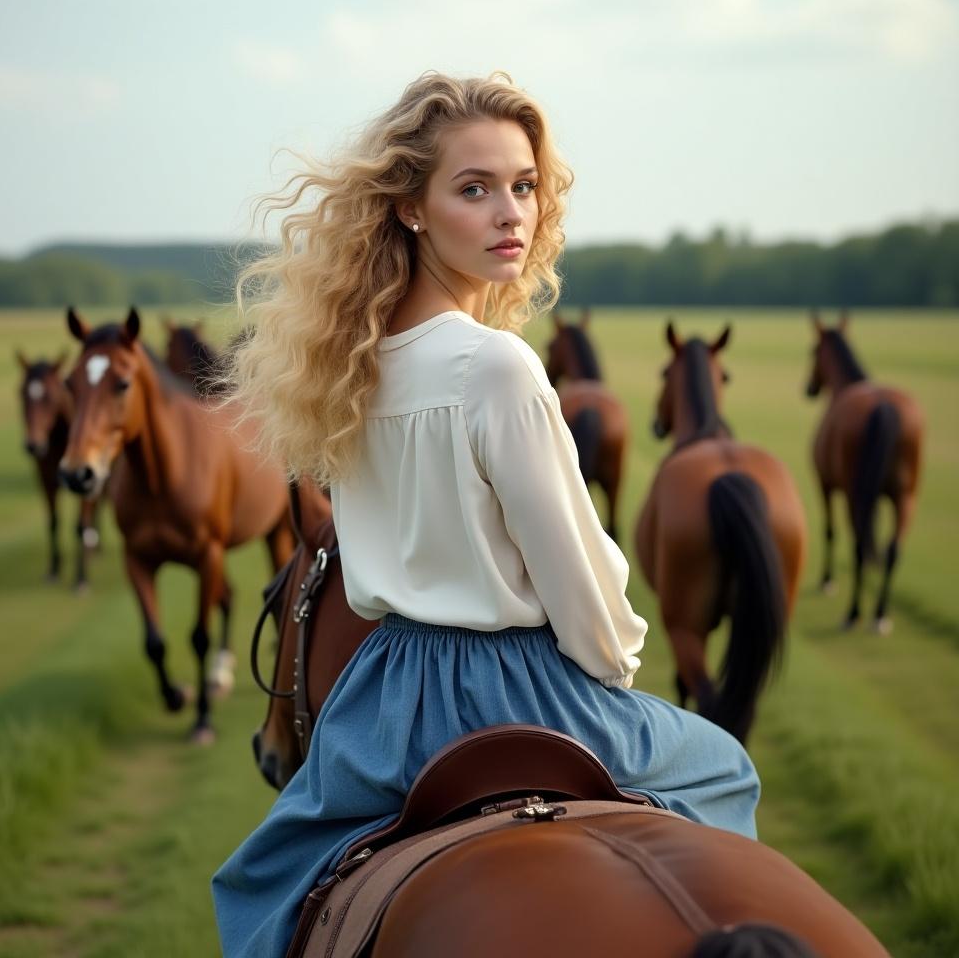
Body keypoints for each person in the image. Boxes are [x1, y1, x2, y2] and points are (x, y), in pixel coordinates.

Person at [212, 72, 760, 958]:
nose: (512, 212)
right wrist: (616, 665)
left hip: (380, 700)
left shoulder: (345, 367)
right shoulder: (497, 367)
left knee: (271, 880)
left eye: (524, 185)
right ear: (412, 210)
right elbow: (581, 593)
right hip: (519, 689)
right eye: (475, 189)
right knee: (723, 766)